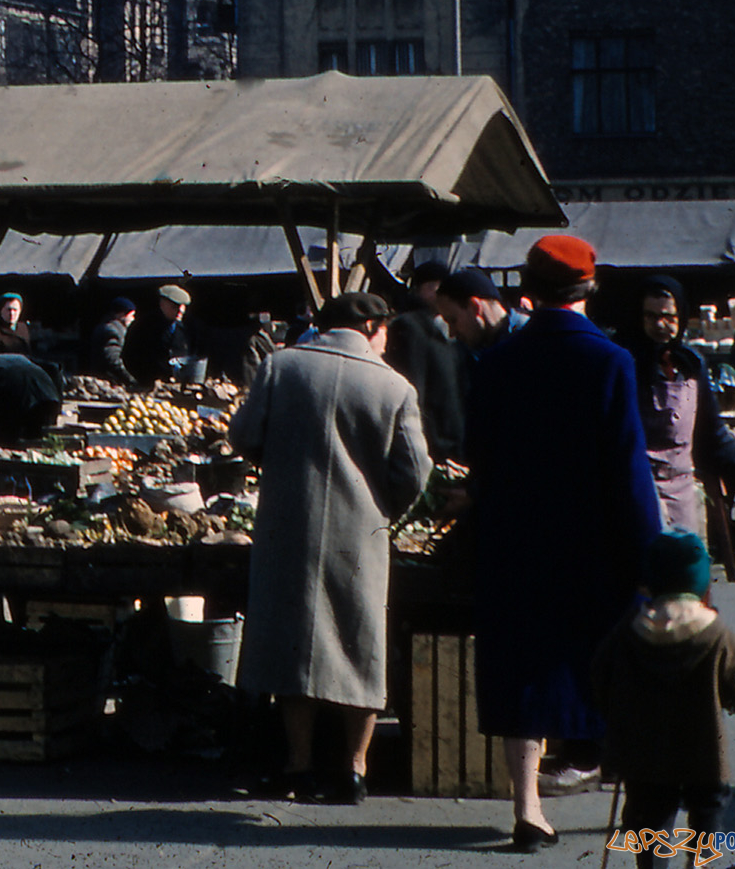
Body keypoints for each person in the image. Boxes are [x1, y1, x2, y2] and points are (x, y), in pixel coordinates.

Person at [466, 234, 660, 850]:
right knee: (605, 663)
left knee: (523, 667)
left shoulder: (498, 363)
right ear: (589, 289)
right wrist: (651, 555)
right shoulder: (610, 362)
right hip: (593, 545)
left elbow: (481, 462)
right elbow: (629, 470)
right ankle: (632, 802)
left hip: (516, 539)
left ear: (529, 290)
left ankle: (527, 806)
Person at [230, 290, 431, 806]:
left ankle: (297, 766)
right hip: (360, 530)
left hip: (286, 525)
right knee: (359, 645)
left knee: (293, 643)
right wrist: (385, 509)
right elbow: (415, 472)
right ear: (372, 328)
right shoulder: (394, 386)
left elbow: (245, 435)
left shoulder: (280, 366)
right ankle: (354, 770)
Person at [588, 530, 735, 868]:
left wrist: (612, 711)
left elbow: (600, 676)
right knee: (708, 808)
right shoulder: (716, 633)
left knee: (648, 814)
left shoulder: (629, 630)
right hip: (704, 750)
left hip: (644, 752)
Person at [614, 276, 735, 542]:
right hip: (639, 492)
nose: (660, 325)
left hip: (682, 493)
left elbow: (711, 431)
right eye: (651, 316)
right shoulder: (625, 362)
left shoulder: (691, 364)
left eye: (668, 317)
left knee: (686, 576)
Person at [385, 260, 470, 460]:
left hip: (454, 441)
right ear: (419, 289)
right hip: (433, 445)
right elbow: (414, 388)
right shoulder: (409, 326)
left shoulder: (444, 324)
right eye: (436, 286)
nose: (443, 293)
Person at [431, 265, 521, 355]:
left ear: (475, 307)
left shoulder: (527, 341)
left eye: (453, 321)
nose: (452, 333)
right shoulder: (464, 353)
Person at [125, 285, 194, 386]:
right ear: (163, 304)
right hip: (148, 383)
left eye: (183, 307)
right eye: (175, 307)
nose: (181, 311)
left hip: (177, 384)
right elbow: (130, 355)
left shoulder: (187, 327)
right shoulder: (144, 326)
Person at [89, 298, 139, 386]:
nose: (133, 319)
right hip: (111, 382)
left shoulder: (109, 327)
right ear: (121, 314)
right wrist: (132, 379)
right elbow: (113, 360)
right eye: (131, 315)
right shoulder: (112, 331)